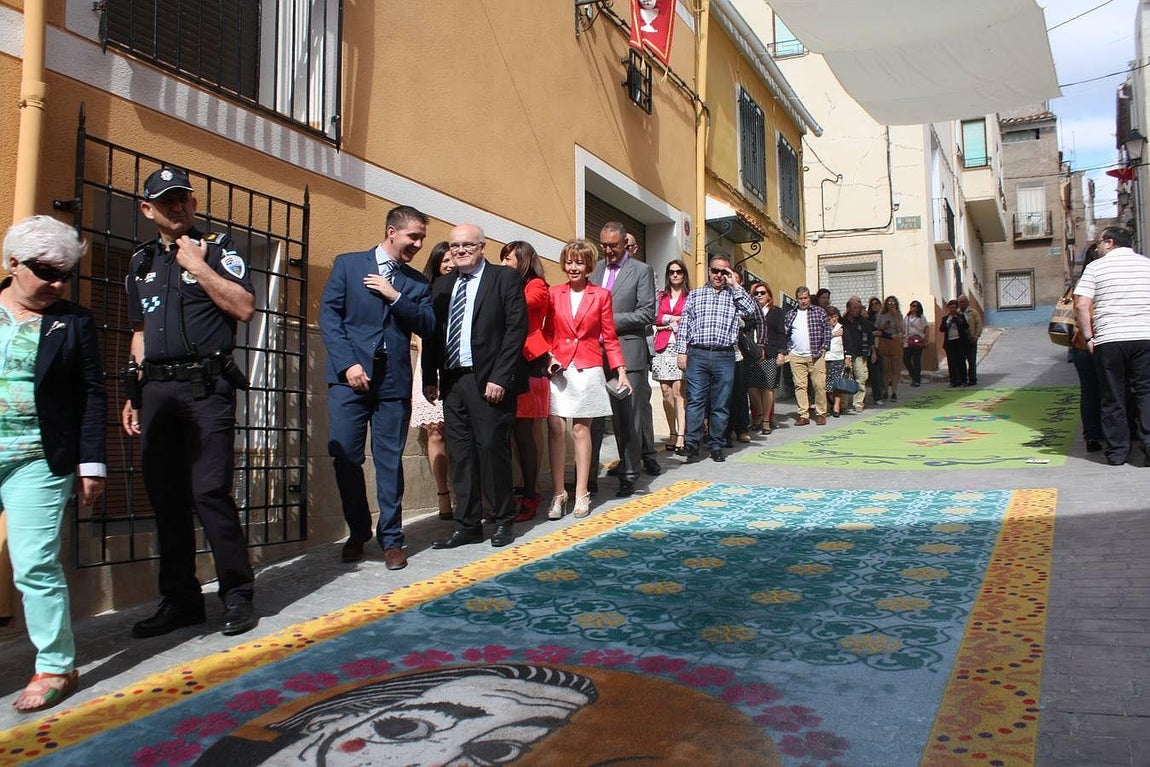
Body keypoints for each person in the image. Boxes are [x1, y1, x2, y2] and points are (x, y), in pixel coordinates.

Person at [122, 167, 258, 638]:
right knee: (165, 497)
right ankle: (181, 599)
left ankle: (237, 594)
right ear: (148, 209)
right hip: (157, 391)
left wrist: (198, 266)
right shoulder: (139, 264)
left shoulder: (219, 250)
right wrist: (134, 394)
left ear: (193, 203)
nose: (177, 206)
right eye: (166, 201)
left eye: (183, 198)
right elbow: (139, 332)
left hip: (206, 388)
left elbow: (243, 307)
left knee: (208, 492)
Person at [1, 216, 105, 712]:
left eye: (66, 274)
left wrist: (91, 465)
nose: (58, 284)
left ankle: (55, 666)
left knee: (36, 562)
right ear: (13, 264)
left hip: (39, 458)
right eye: (47, 272)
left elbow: (90, 394)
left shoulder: (73, 322)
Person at [320, 205, 436, 570]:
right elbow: (329, 317)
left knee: (389, 462)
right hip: (349, 381)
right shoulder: (348, 265)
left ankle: (392, 539)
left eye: (421, 238)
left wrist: (394, 296)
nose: (418, 244)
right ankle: (358, 531)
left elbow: (428, 325)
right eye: (412, 236)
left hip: (393, 384)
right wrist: (348, 364)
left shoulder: (416, 282)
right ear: (391, 231)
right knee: (345, 458)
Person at [424, 224, 527, 548]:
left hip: (489, 379)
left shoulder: (503, 278)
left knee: (491, 449)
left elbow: (515, 329)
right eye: (455, 246)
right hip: (453, 379)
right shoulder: (442, 285)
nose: (460, 250)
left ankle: (502, 519)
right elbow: (432, 333)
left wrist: (501, 376)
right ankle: (467, 524)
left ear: (482, 247)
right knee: (461, 453)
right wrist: (430, 376)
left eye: (468, 245)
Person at [544, 240, 626, 519]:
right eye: (569, 262)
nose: (573, 267)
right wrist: (548, 356)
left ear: (589, 265)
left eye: (579, 262)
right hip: (559, 369)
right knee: (555, 427)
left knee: (581, 430)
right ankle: (558, 493)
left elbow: (610, 336)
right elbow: (545, 333)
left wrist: (621, 370)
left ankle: (581, 493)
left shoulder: (601, 295)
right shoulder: (553, 293)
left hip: (589, 366)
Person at [589, 223, 657, 497]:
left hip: (628, 355)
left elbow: (647, 313)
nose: (608, 251)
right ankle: (588, 477)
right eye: (604, 245)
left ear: (625, 243)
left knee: (628, 418)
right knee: (591, 416)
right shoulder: (595, 270)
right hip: (595, 356)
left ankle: (629, 474)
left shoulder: (641, 271)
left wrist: (608, 321)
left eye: (613, 246)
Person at [1073, 226, 1150, 466]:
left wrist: (1088, 338)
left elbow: (1081, 305)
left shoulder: (1095, 268)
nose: (1097, 248)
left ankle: (1117, 452)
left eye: (1098, 244)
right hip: (1145, 336)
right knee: (1146, 392)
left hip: (1110, 338)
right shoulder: (1147, 264)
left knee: (1112, 395)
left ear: (1109, 243)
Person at [674, 255, 760, 462]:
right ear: (709, 271)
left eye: (724, 272)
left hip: (724, 355)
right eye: (715, 271)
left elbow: (751, 311)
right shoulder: (695, 295)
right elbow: (685, 324)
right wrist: (681, 351)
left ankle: (717, 445)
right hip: (698, 354)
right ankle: (692, 445)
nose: (719, 275)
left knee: (721, 403)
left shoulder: (734, 296)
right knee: (695, 401)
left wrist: (735, 284)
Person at [500, 241, 550, 523]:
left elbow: (524, 305)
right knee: (508, 434)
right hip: (506, 360)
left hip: (529, 361)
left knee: (524, 433)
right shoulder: (510, 285)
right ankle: (511, 492)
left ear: (524, 259)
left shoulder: (536, 285)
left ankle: (531, 494)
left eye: (510, 258)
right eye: (503, 258)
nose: (506, 263)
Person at [413, 242, 455, 520]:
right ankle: (443, 496)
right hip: (429, 366)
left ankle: (470, 491)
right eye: (445, 260)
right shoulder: (424, 293)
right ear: (437, 264)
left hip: (459, 366)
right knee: (435, 430)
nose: (450, 264)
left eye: (454, 259)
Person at [652, 259, 689, 452]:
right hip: (662, 347)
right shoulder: (660, 296)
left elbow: (690, 318)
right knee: (666, 392)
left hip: (681, 348)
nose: (675, 275)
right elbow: (655, 317)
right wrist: (673, 319)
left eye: (679, 271)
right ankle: (672, 431)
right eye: (671, 271)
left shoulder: (690, 296)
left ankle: (682, 434)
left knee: (678, 391)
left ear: (684, 274)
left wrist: (668, 319)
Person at [1069, 245, 1103, 453]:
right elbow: (1085, 310)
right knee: (1110, 390)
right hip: (1098, 342)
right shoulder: (1098, 281)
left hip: (1080, 345)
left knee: (1089, 391)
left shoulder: (1079, 285)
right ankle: (1108, 433)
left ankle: (1092, 435)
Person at [785, 286, 831, 425]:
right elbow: (785, 333)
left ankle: (821, 413)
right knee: (800, 385)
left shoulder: (819, 312)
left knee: (819, 385)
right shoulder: (790, 314)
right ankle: (803, 414)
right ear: (797, 299)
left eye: (806, 298)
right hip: (796, 355)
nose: (804, 301)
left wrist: (824, 347)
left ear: (809, 298)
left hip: (816, 354)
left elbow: (827, 331)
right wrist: (789, 350)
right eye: (801, 299)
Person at [746, 281, 786, 434]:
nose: (759, 296)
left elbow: (782, 333)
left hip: (769, 353)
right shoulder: (749, 312)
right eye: (756, 293)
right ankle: (760, 414)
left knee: (767, 387)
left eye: (762, 293)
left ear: (769, 295)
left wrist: (781, 353)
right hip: (752, 354)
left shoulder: (776, 312)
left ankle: (766, 420)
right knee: (751, 387)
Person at [841, 296, 873, 414]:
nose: (857, 310)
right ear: (848, 308)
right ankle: (843, 404)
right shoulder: (842, 321)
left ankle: (858, 403)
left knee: (861, 379)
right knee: (845, 379)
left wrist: (872, 350)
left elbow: (870, 336)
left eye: (859, 308)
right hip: (846, 355)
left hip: (860, 354)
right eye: (854, 307)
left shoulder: (863, 322)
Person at [875, 295, 904, 401]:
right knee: (885, 368)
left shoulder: (899, 315)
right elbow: (877, 329)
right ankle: (886, 390)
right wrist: (884, 327)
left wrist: (895, 316)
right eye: (889, 303)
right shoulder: (881, 315)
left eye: (893, 303)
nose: (891, 305)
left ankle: (894, 392)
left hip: (895, 341)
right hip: (884, 341)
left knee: (895, 369)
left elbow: (901, 329)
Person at [939, 299, 971, 388]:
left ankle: (963, 380)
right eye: (950, 307)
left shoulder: (961, 316)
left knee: (961, 361)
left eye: (954, 307)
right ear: (948, 308)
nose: (952, 309)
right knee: (951, 362)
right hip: (950, 342)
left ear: (956, 308)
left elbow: (965, 326)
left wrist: (956, 319)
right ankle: (953, 381)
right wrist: (948, 324)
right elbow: (941, 329)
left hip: (959, 342)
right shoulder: (945, 318)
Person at [824, 306, 846, 417]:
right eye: (830, 317)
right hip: (826, 358)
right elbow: (820, 339)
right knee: (826, 384)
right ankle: (829, 404)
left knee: (837, 383)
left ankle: (837, 406)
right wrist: (832, 334)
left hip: (838, 358)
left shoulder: (841, 328)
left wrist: (848, 357)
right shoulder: (823, 328)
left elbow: (847, 343)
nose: (833, 319)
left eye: (835, 317)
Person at [958, 294, 983, 386]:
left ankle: (972, 379)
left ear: (967, 302)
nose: (961, 304)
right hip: (960, 341)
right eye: (960, 302)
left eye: (963, 301)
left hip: (971, 339)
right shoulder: (957, 313)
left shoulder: (973, 312)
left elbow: (979, 325)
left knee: (971, 360)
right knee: (961, 361)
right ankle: (963, 379)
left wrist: (976, 337)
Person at [903, 299, 929, 387]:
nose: (912, 307)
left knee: (916, 360)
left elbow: (926, 328)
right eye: (911, 305)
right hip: (907, 340)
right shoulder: (907, 317)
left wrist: (926, 340)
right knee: (906, 359)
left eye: (914, 306)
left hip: (918, 339)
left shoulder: (921, 317)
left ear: (918, 308)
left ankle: (917, 380)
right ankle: (914, 376)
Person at [866, 296, 884, 405]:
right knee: (872, 373)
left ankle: (880, 393)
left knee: (880, 371)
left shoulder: (884, 316)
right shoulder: (869, 319)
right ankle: (876, 394)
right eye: (872, 304)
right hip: (872, 346)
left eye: (876, 303)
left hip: (882, 345)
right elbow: (871, 332)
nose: (874, 306)